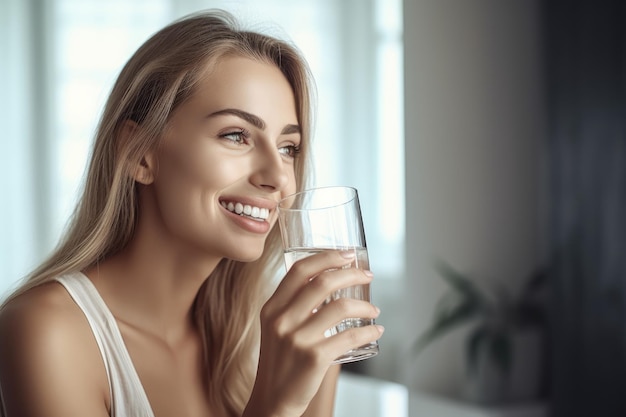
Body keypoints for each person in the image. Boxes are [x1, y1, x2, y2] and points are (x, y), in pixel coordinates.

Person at [0, 9, 383, 417]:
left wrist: (321, 368)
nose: (277, 177)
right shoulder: (46, 332)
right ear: (139, 152)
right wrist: (276, 405)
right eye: (236, 135)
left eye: (288, 147)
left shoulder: (268, 338)